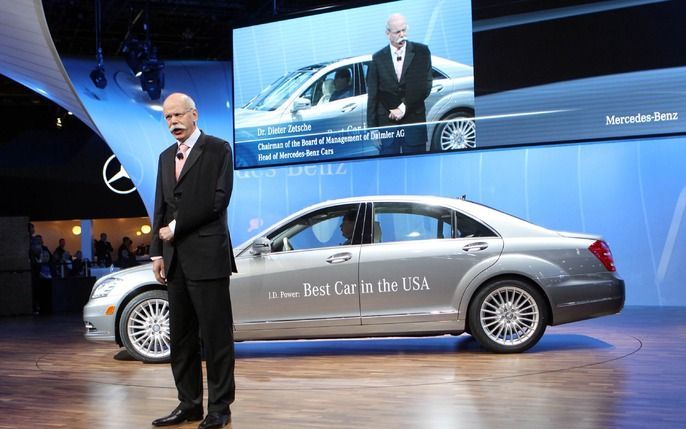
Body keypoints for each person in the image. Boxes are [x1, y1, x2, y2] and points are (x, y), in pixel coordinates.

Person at [150, 92, 236, 429]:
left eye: (178, 116)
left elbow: (219, 200)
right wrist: (156, 251)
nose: (173, 122)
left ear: (194, 115)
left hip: (208, 256)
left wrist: (176, 226)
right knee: (181, 337)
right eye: (168, 118)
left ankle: (220, 408)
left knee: (215, 337)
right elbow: (160, 203)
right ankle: (189, 404)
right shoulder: (164, 157)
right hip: (174, 260)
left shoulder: (218, 149)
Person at [366, 13, 432, 154]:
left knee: (417, 170)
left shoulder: (421, 51)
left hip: (414, 123)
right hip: (388, 127)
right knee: (390, 171)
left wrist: (403, 108)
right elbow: (373, 95)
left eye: (404, 30)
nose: (402, 34)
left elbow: (425, 86)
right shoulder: (377, 58)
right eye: (397, 32)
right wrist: (373, 129)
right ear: (387, 33)